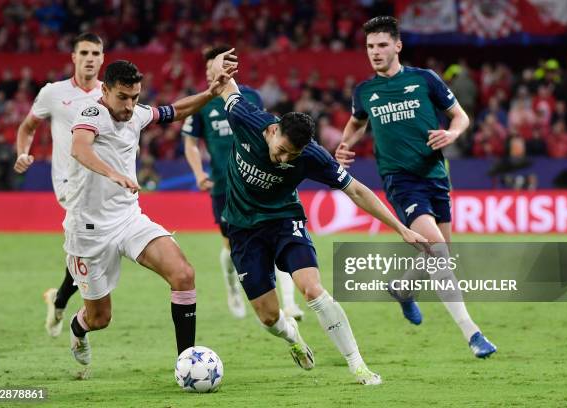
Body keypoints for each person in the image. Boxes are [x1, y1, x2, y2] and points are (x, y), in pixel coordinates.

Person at [209, 50, 427, 385]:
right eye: (281, 150)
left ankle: (358, 366)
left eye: (290, 156)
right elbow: (226, 86)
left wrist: (400, 228)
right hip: (242, 228)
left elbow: (357, 191)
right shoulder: (246, 119)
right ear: (272, 132)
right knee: (268, 317)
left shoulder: (311, 156)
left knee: (312, 290)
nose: (283, 160)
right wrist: (219, 66)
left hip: (284, 220)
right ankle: (293, 337)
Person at [335, 16, 497, 358]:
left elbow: (461, 116)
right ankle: (473, 335)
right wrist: (344, 145)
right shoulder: (364, 91)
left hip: (436, 176)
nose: (375, 52)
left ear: (398, 46)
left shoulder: (425, 80)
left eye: (381, 45)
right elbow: (355, 123)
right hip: (401, 181)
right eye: (369, 47)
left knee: (441, 255)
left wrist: (452, 134)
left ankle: (404, 289)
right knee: (437, 251)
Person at [66, 59, 236, 369]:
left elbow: (176, 111)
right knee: (99, 318)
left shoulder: (137, 114)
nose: (130, 105)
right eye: (122, 97)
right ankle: (78, 329)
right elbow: (80, 148)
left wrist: (211, 93)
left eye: (135, 97)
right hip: (89, 231)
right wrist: (113, 173)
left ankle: (187, 362)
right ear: (104, 90)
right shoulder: (91, 114)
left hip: (129, 219)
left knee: (183, 274)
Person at [183, 46, 304, 320]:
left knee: (276, 241)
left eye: (216, 65)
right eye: (207, 68)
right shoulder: (200, 103)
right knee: (231, 247)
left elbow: (268, 134)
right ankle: (232, 289)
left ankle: (289, 303)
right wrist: (199, 173)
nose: (211, 72)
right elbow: (190, 143)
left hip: (257, 182)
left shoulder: (249, 97)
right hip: (223, 186)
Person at [13, 33, 104, 338]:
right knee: (90, 248)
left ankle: (60, 298)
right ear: (74, 58)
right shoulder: (53, 93)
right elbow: (27, 127)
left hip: (103, 183)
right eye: (84, 53)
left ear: (103, 59)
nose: (90, 58)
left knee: (92, 251)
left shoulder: (111, 94)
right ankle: (79, 320)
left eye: (95, 53)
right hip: (69, 183)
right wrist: (23, 152)